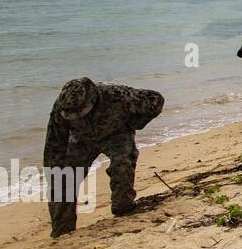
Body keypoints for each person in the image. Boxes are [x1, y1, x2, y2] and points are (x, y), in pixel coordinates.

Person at [43, 77, 164, 237]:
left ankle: (123, 208)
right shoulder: (61, 108)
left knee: (122, 163)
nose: (77, 117)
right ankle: (62, 230)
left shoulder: (116, 94)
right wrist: (54, 176)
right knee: (63, 179)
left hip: (116, 135)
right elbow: (54, 146)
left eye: (80, 113)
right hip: (81, 140)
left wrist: (134, 123)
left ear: (92, 101)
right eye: (73, 116)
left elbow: (155, 100)